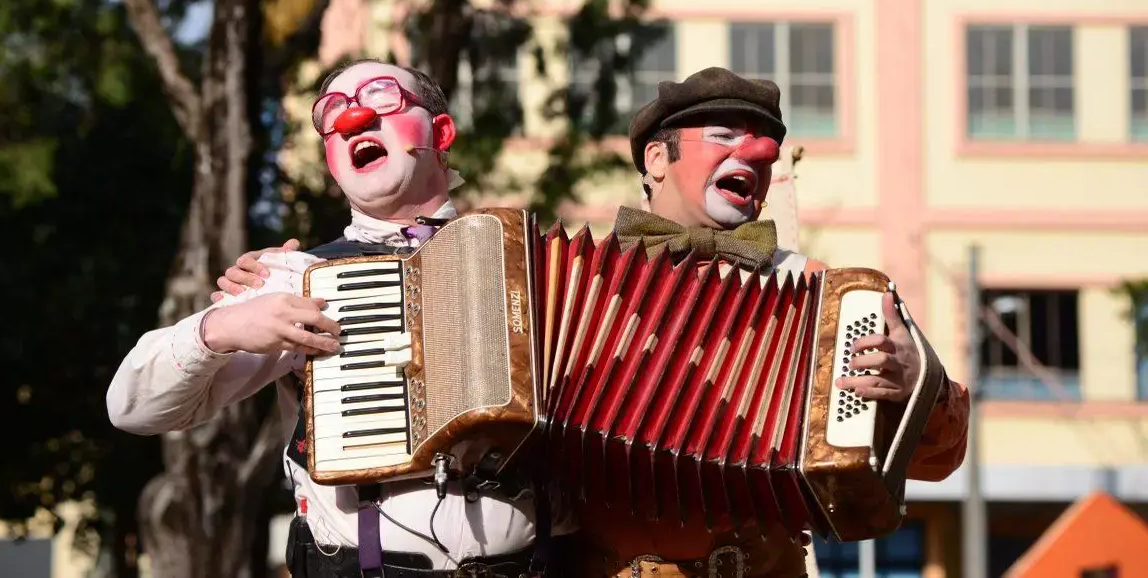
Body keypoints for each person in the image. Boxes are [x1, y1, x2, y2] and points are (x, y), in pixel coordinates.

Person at [215, 67, 970, 577]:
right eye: (728, 138)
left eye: (765, 145)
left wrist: (920, 389)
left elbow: (933, 461)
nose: (760, 154)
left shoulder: (817, 298)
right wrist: (284, 281)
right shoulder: (558, 283)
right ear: (657, 158)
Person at [107, 59, 559, 578]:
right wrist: (220, 331)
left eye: (383, 99)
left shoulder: (533, 271)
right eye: (333, 113)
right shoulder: (297, 277)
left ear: (441, 132)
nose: (353, 120)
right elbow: (130, 408)